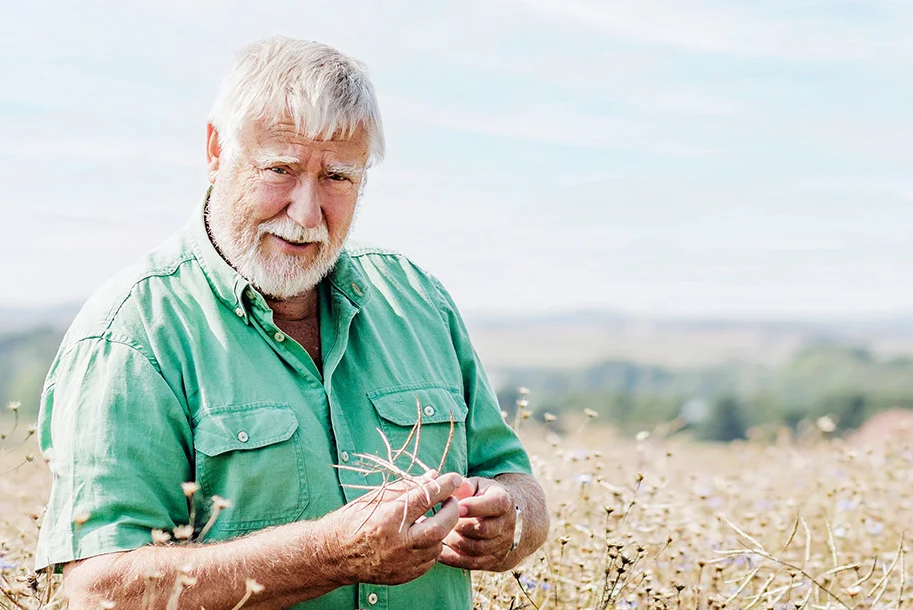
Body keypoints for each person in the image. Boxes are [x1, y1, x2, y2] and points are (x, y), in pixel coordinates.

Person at [33, 37, 549, 610]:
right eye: (280, 170)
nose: (306, 213)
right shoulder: (130, 337)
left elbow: (515, 480)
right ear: (214, 149)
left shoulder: (417, 301)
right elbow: (101, 592)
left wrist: (510, 518)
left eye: (337, 179)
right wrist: (330, 556)